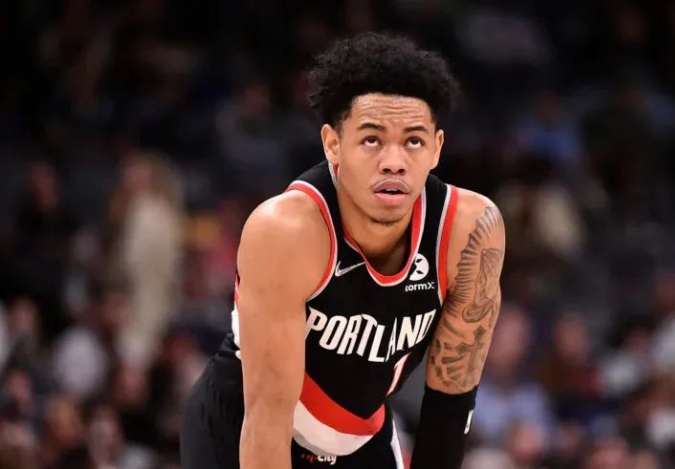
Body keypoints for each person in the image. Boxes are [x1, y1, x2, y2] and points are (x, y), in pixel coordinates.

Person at [180, 32, 505, 469]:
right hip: (246, 425)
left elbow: (450, 407)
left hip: (358, 437)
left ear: (436, 149)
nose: (394, 161)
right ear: (333, 144)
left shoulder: (470, 231)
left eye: (413, 141)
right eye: (372, 140)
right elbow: (267, 421)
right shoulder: (287, 231)